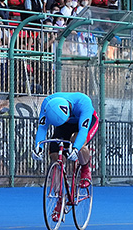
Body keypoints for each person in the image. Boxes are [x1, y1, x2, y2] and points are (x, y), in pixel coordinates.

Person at [33, 93, 99, 221]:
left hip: (85, 121)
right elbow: (42, 128)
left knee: (77, 141)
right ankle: (59, 200)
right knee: (54, 156)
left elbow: (83, 131)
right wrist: (38, 148)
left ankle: (85, 168)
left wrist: (76, 148)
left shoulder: (83, 103)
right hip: (62, 124)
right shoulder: (47, 104)